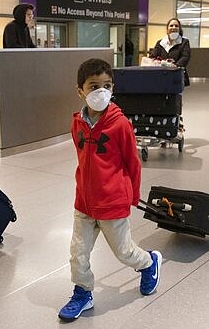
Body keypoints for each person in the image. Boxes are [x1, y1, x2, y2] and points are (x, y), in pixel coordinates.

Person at [58, 58, 162, 322]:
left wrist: (132, 194)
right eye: (93, 86)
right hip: (84, 202)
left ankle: (149, 263)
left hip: (112, 202)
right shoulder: (77, 124)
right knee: (77, 253)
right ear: (80, 90)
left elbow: (132, 163)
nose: (100, 92)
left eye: (107, 85)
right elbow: (83, 160)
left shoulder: (120, 124)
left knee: (124, 252)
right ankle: (83, 293)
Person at [150, 17, 191, 86]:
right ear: (167, 29)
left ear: (179, 29)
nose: (174, 27)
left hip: (176, 75)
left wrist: (175, 66)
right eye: (171, 25)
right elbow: (152, 57)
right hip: (161, 75)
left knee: (175, 96)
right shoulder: (160, 42)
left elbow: (185, 57)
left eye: (176, 26)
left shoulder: (184, 42)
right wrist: (157, 62)